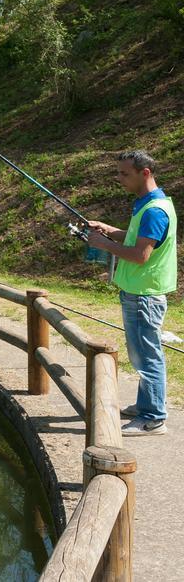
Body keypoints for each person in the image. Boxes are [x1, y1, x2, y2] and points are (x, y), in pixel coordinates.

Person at [85, 150, 176, 437]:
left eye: (125, 173)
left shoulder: (154, 211)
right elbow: (137, 239)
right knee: (141, 354)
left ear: (145, 173)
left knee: (147, 356)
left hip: (144, 295)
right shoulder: (147, 204)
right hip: (139, 293)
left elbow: (139, 255)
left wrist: (103, 244)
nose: (119, 178)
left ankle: (153, 418)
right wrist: (111, 231)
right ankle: (145, 405)